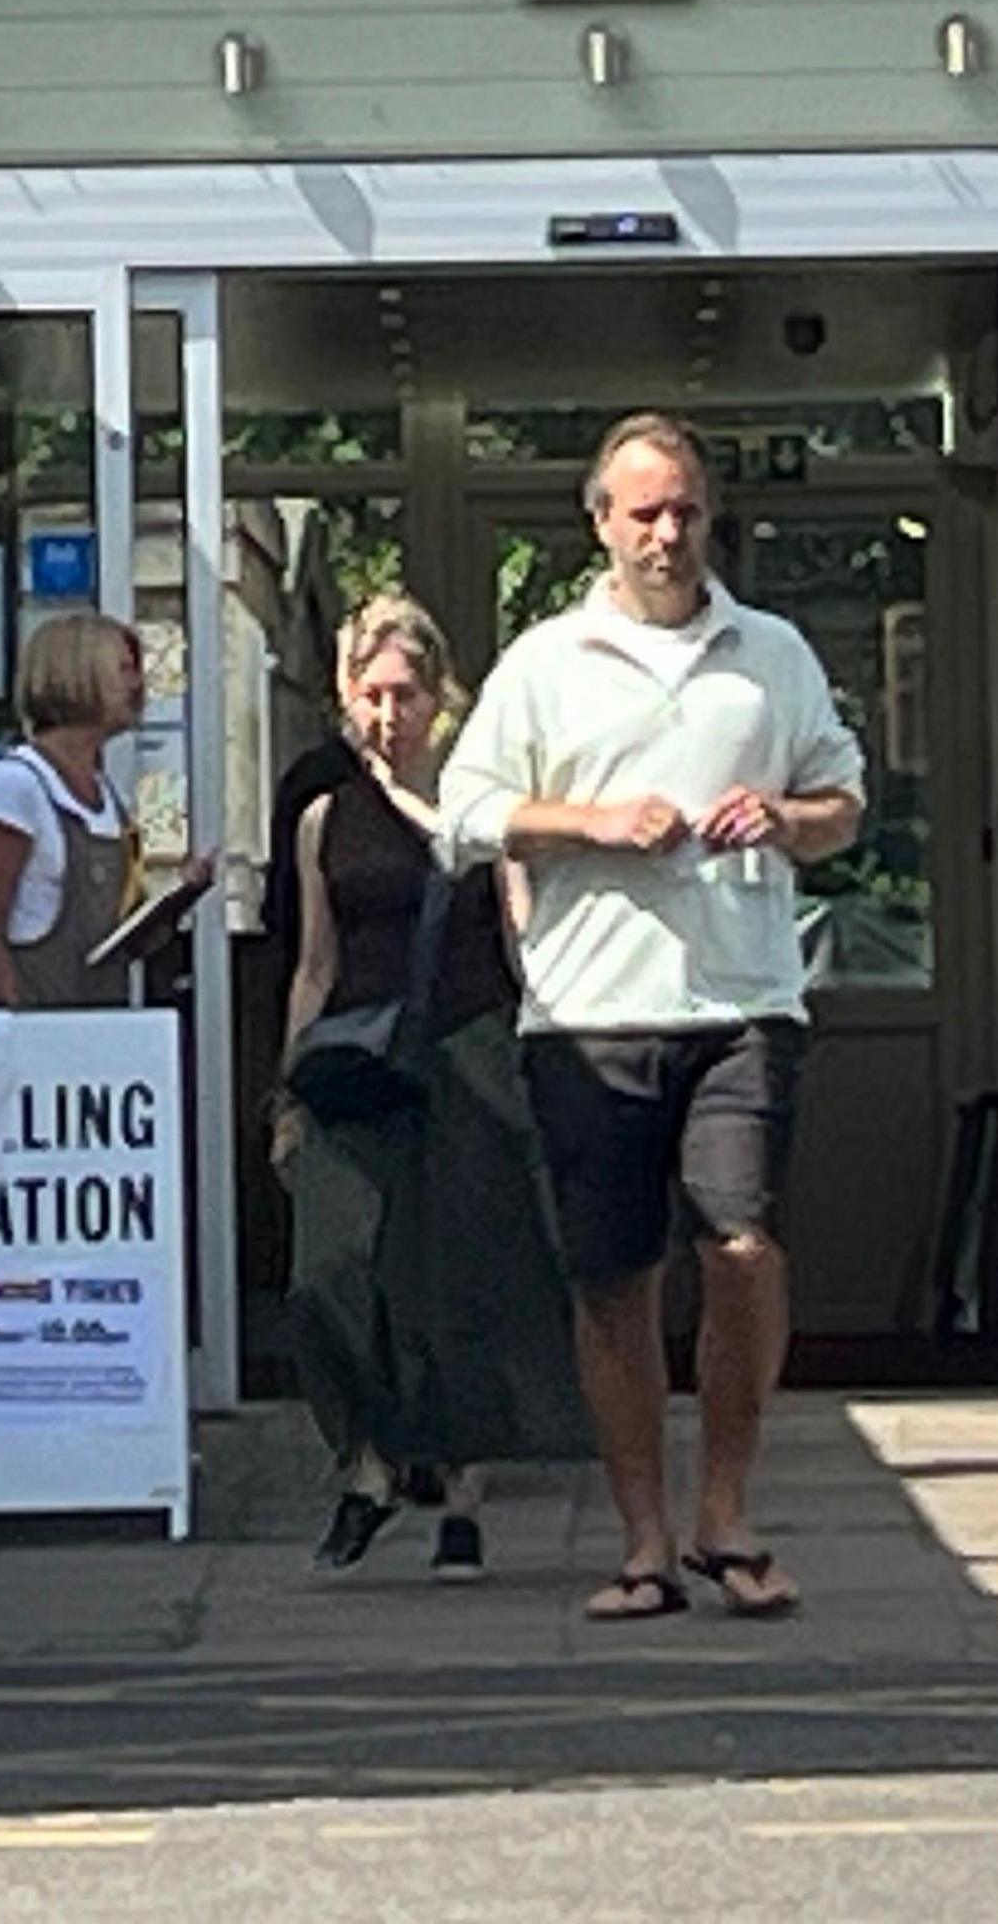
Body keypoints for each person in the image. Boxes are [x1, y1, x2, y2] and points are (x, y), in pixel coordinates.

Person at [440, 413, 866, 1625]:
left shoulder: (771, 653)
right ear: (601, 525)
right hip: (588, 1013)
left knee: (741, 1247)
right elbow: (464, 815)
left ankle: (724, 1510)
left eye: (683, 510)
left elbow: (846, 799)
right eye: (643, 514)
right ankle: (643, 1540)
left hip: (742, 1003)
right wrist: (594, 825)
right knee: (614, 1279)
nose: (667, 533)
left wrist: (785, 818)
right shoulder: (545, 661)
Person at [276, 596, 590, 1581]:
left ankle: (458, 1495)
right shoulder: (326, 817)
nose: (386, 715)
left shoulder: (477, 810)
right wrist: (289, 1090)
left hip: (464, 1052)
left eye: (405, 695)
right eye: (369, 695)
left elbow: (520, 936)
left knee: (455, 1280)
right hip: (358, 1063)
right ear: (343, 696)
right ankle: (367, 1463)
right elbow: (315, 963)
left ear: (441, 700)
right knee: (326, 1273)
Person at [0, 611, 149, 1010]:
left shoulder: (105, 792)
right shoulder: (16, 785)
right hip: (38, 1030)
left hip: (100, 1031)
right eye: (124, 670)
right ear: (78, 674)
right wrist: (10, 1023)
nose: (137, 685)